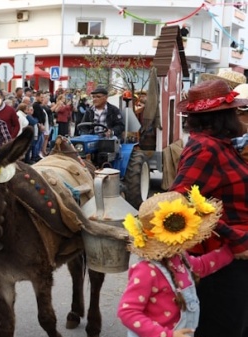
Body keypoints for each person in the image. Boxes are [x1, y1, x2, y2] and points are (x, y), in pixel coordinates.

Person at [168, 79, 248, 337]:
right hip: (224, 263)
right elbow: (179, 204)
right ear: (225, 116)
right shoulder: (205, 147)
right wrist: (236, 239)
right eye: (235, 111)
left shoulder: (223, 144)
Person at [118, 191, 234, 337]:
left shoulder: (179, 258)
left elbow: (200, 266)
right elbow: (127, 311)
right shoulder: (146, 271)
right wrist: (165, 334)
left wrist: (231, 251)